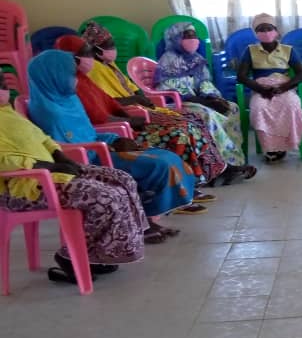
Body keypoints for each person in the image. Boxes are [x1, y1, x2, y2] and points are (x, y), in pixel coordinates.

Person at [27, 50, 198, 244]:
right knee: (157, 165)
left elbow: (88, 132)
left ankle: (147, 219)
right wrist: (107, 146)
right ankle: (143, 223)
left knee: (168, 157)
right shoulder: (49, 112)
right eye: (71, 74)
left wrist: (114, 140)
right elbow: (66, 148)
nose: (76, 80)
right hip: (88, 159)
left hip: (101, 148)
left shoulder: (68, 100)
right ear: (54, 75)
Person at [0, 79, 147, 285]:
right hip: (23, 187)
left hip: (51, 172)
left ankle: (98, 255)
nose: (2, 91)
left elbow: (43, 138)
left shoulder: (9, 114)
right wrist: (48, 166)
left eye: (3, 86)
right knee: (105, 197)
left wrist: (60, 157)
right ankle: (69, 257)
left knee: (122, 180)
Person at [81, 21, 251, 183]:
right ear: (95, 50)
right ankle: (206, 174)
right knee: (192, 122)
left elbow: (133, 89)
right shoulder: (95, 71)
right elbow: (110, 102)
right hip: (138, 113)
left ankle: (221, 164)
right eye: (109, 45)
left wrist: (211, 96)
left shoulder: (110, 66)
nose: (113, 48)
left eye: (113, 44)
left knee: (206, 116)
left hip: (143, 109)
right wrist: (136, 100)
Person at [55, 34, 223, 197]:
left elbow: (109, 102)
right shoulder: (75, 83)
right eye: (85, 53)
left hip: (120, 126)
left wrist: (137, 102)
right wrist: (129, 120)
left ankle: (205, 175)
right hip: (116, 133)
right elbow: (98, 117)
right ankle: (186, 188)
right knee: (181, 132)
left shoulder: (90, 76)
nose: (89, 57)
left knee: (190, 122)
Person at [151, 22, 250, 174]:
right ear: (175, 38)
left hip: (199, 99)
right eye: (187, 36)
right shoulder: (168, 60)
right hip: (178, 102)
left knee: (232, 108)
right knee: (206, 114)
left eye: (194, 36)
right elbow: (171, 87)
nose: (193, 40)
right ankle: (217, 165)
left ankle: (233, 158)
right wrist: (204, 101)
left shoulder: (196, 58)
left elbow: (204, 82)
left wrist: (213, 98)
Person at [237, 13, 302, 163]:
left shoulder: (288, 50)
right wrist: (261, 89)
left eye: (269, 28)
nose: (266, 33)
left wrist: (283, 88)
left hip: (284, 86)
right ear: (256, 33)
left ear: (276, 31)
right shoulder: (250, 51)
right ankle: (270, 148)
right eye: (261, 30)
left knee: (291, 105)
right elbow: (241, 76)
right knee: (259, 108)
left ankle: (285, 145)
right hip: (261, 88)